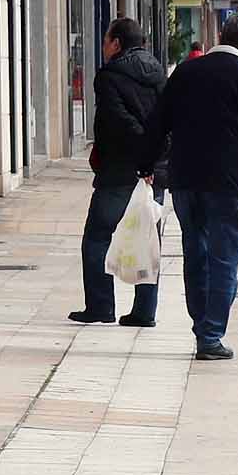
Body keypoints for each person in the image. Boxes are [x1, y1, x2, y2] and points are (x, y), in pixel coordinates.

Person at [138, 13, 238, 361]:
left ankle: (202, 327)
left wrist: (146, 165)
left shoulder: (184, 73)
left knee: (195, 255)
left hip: (184, 180)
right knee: (224, 259)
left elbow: (157, 124)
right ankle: (210, 335)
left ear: (220, 36)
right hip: (227, 182)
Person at [71, 17, 168, 327]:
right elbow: (167, 122)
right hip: (154, 170)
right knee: (148, 236)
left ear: (116, 44)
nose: (103, 47)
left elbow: (118, 121)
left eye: (105, 41)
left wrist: (142, 155)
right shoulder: (159, 74)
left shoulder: (109, 76)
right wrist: (153, 159)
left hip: (120, 170)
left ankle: (101, 306)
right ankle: (144, 311)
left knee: (97, 237)